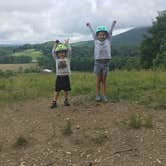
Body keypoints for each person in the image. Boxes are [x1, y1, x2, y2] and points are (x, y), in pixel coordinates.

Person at [86, 20, 116, 102]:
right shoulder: (96, 41)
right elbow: (93, 33)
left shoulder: (108, 40)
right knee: (98, 80)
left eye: (103, 35)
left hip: (106, 64)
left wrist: (113, 24)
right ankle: (98, 95)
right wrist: (89, 26)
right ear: (97, 36)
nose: (102, 36)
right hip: (98, 64)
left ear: (106, 35)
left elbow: (111, 32)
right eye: (100, 35)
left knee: (104, 81)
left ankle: (104, 95)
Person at [50, 39, 72, 108]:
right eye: (59, 52)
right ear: (57, 54)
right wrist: (55, 44)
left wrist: (67, 44)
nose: (61, 53)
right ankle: (54, 102)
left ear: (65, 53)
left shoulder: (67, 58)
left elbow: (70, 50)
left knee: (66, 90)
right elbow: (53, 52)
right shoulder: (56, 59)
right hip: (59, 77)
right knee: (57, 90)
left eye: (63, 52)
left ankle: (66, 101)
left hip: (66, 76)